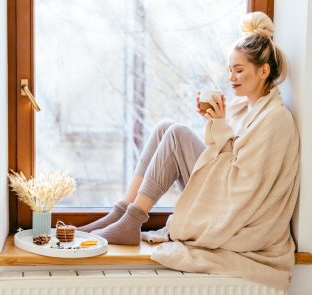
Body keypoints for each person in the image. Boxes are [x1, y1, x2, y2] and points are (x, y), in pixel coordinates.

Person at [77, 11, 299, 291]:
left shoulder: (276, 119)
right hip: (223, 189)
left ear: (264, 71)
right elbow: (221, 153)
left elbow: (245, 185)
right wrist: (214, 121)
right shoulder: (245, 107)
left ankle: (132, 221)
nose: (231, 77)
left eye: (239, 70)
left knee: (176, 134)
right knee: (165, 127)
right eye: (229, 69)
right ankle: (122, 213)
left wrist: (218, 125)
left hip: (237, 209)